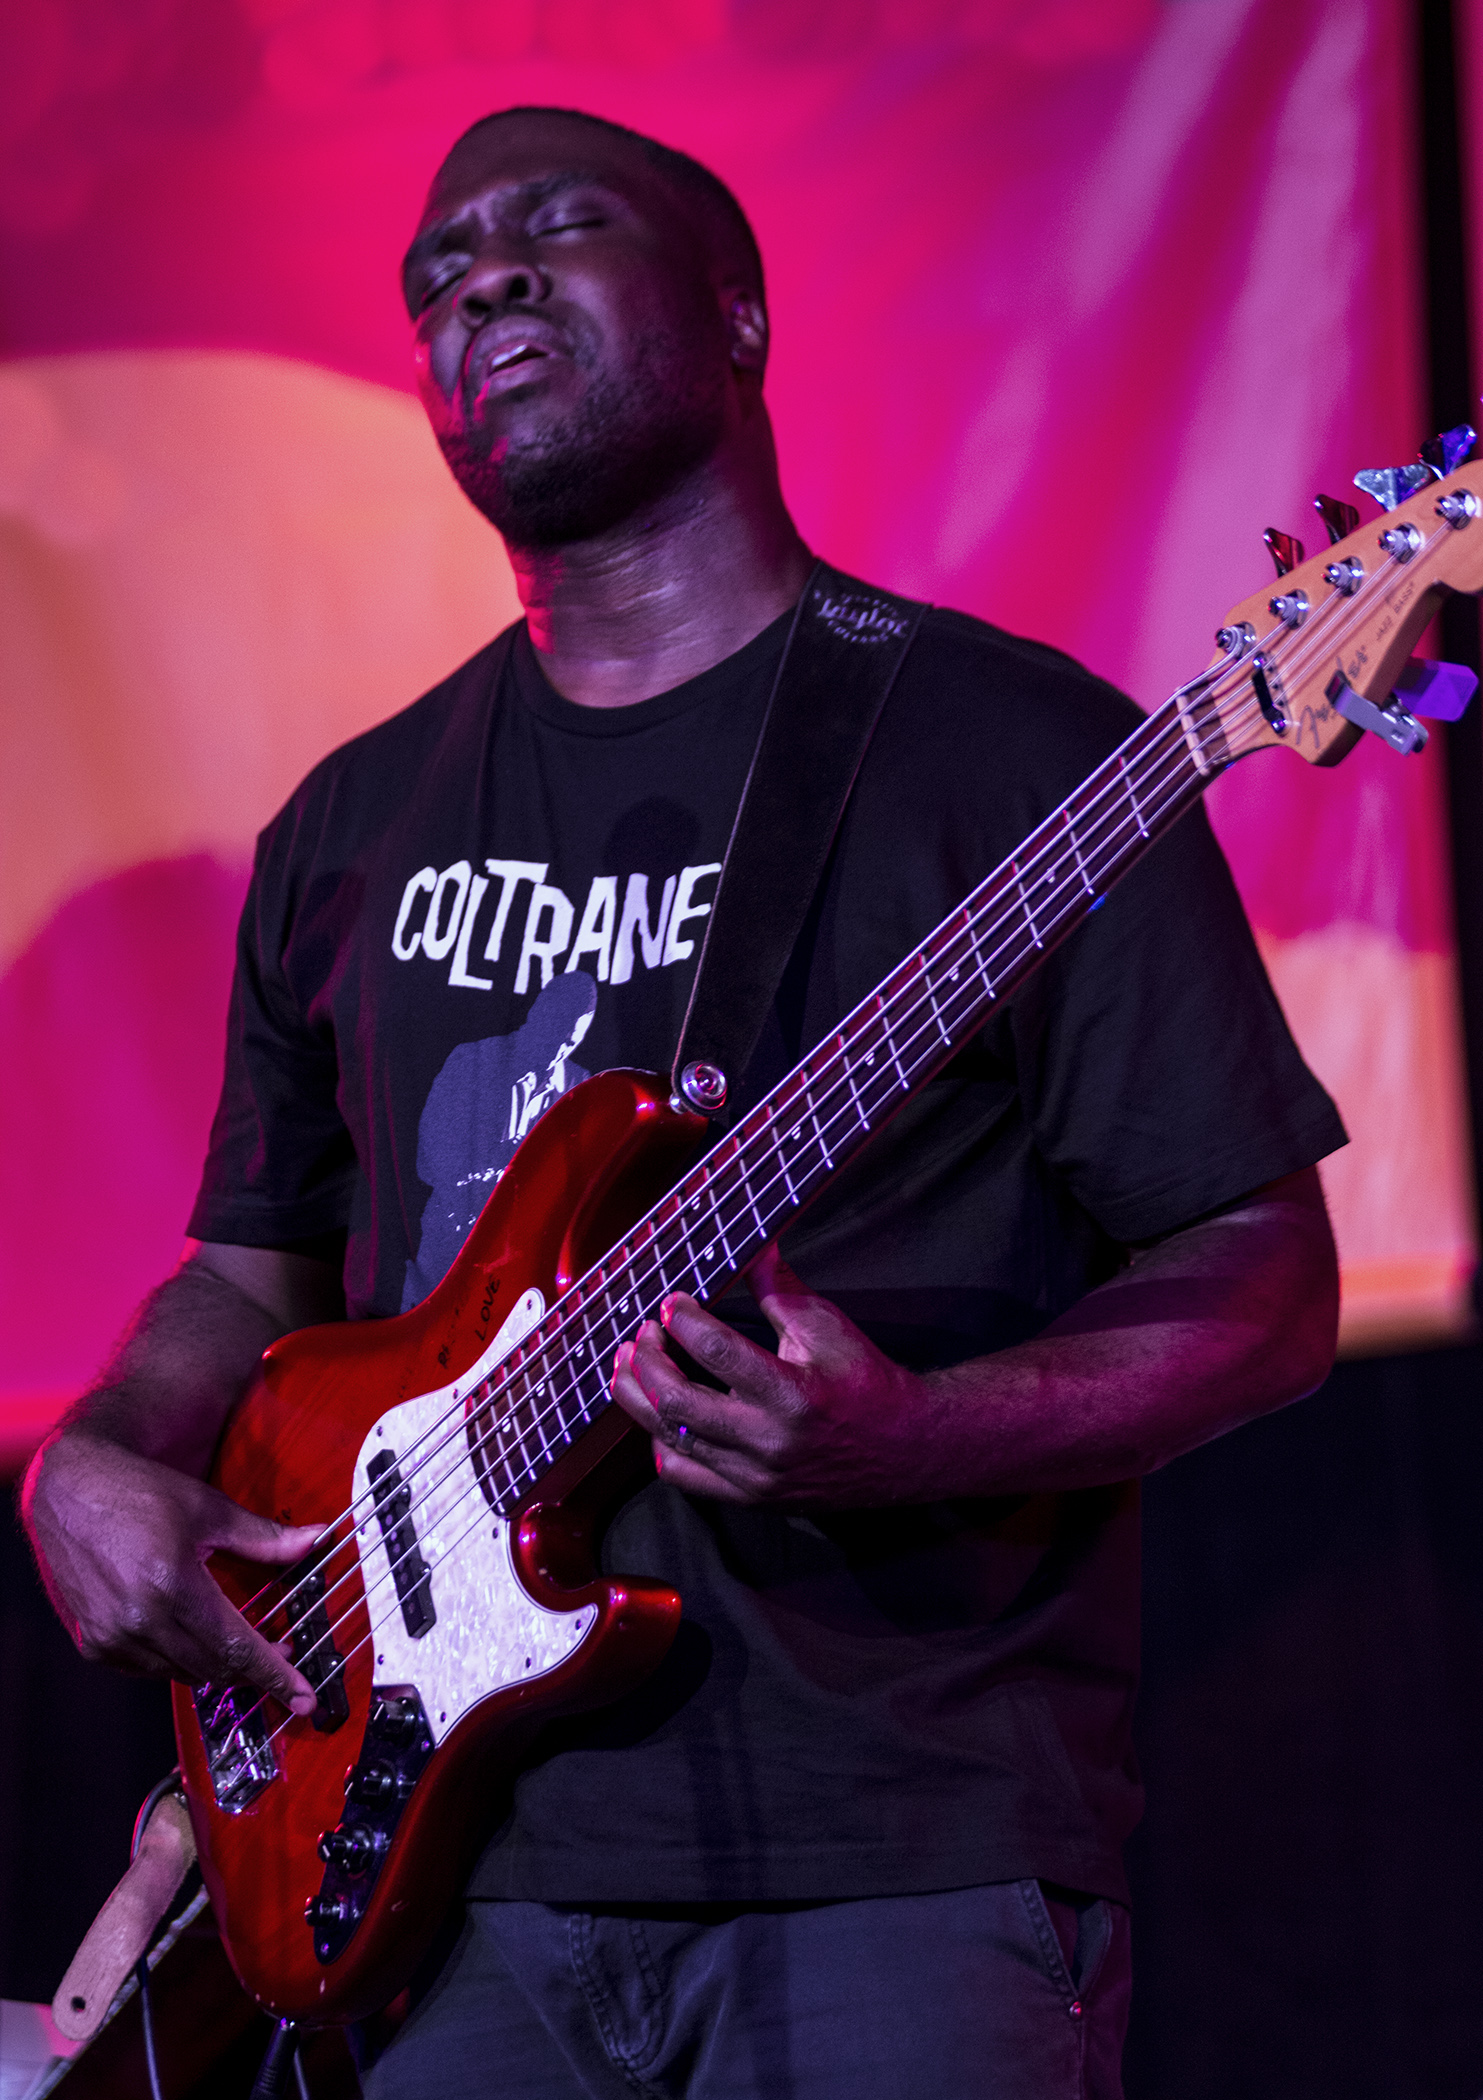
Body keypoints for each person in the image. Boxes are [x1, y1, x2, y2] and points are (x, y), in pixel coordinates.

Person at [22, 106, 1345, 2098]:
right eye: (439, 272)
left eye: (558, 227)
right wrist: (102, 1450)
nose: (482, 279)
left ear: (737, 313)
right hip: (448, 1884)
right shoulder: (349, 824)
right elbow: (249, 1267)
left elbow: (1261, 1280)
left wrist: (919, 1437)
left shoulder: (1010, 762)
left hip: (902, 1864)